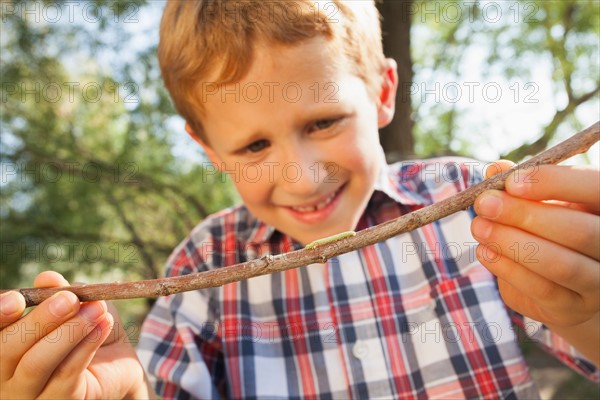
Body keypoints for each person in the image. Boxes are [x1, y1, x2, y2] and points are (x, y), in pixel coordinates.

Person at [1, 1, 598, 398]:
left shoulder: (477, 207)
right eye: (255, 144)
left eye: (323, 123)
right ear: (209, 148)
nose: (304, 177)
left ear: (384, 93)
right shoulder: (200, 269)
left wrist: (589, 311)